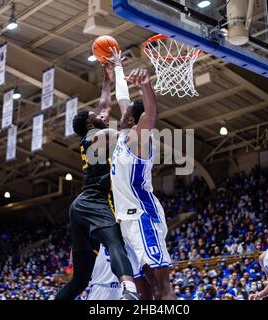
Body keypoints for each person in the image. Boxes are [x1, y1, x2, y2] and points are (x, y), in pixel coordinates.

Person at [55, 63, 139, 300]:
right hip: (94, 202)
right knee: (114, 241)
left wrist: (106, 78)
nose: (103, 115)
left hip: (81, 206)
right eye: (98, 117)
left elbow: (104, 104)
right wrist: (132, 126)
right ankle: (129, 289)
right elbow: (120, 133)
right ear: (91, 125)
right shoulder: (93, 137)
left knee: (81, 279)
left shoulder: (92, 131)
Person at [105, 48, 176, 300]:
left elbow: (151, 114)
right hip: (126, 223)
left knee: (162, 287)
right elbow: (124, 97)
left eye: (125, 112)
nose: (120, 111)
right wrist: (117, 67)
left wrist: (146, 86)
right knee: (143, 291)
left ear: (133, 119)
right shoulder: (125, 137)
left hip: (142, 218)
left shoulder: (138, 140)